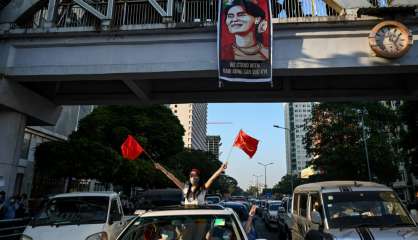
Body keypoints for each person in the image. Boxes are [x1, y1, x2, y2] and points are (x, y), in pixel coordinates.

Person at [154, 162, 227, 205]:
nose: (193, 177)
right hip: (187, 219)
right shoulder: (185, 187)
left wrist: (221, 169)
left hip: (200, 220)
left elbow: (212, 178)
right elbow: (172, 177)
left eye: (196, 175)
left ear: (199, 177)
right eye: (191, 175)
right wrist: (161, 168)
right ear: (189, 177)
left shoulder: (203, 188)